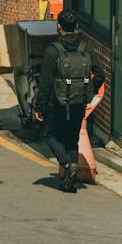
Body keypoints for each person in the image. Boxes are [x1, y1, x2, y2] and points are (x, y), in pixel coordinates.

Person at [36, 10, 92, 192]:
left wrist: (40, 106)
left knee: (49, 134)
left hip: (57, 103)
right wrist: (86, 91)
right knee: (72, 140)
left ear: (59, 26)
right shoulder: (85, 48)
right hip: (79, 103)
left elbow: (44, 82)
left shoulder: (53, 50)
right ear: (75, 26)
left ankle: (67, 165)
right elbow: (99, 74)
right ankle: (71, 182)